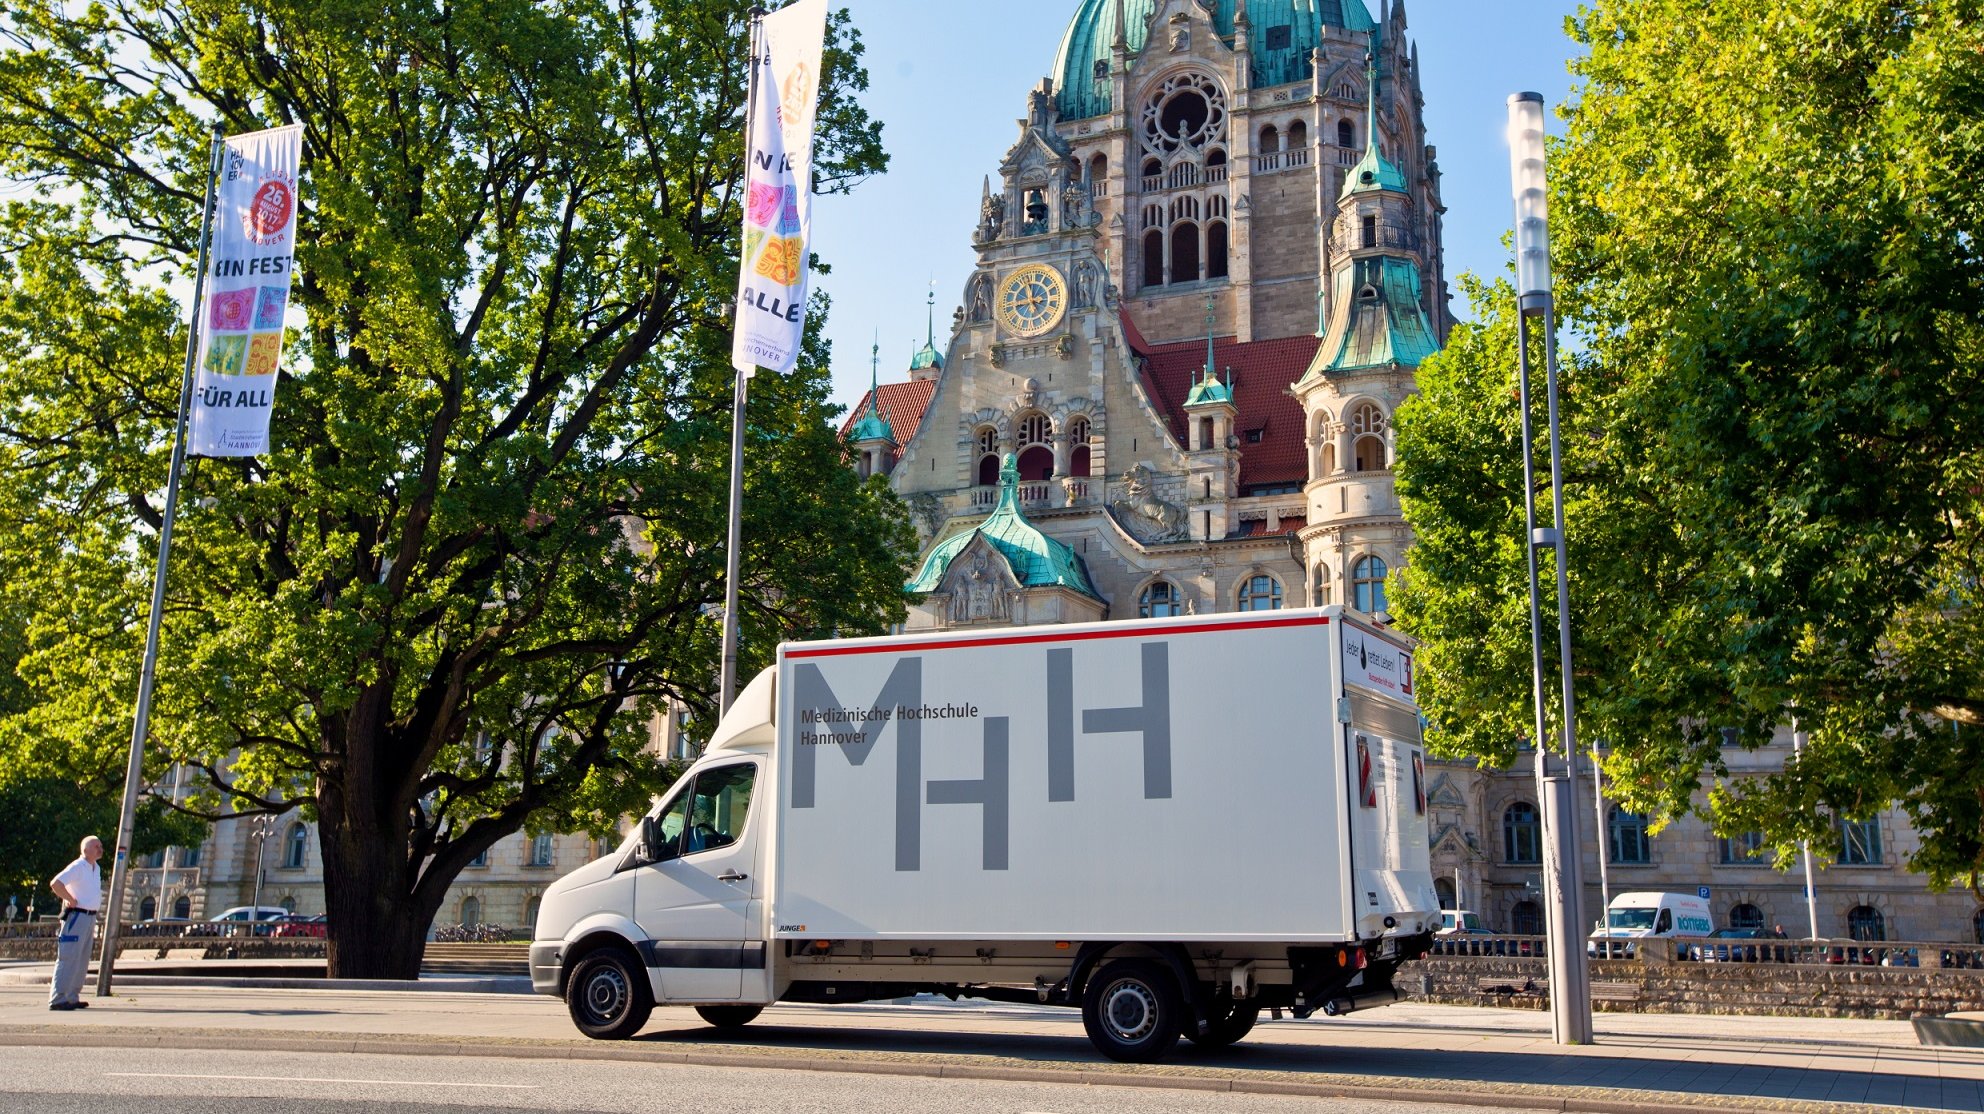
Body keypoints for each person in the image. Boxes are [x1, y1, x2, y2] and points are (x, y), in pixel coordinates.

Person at [47, 835, 103, 1011]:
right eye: (96, 846)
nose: (100, 849)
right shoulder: (78, 866)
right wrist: (70, 899)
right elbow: (56, 883)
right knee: (68, 957)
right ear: (85, 850)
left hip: (90, 917)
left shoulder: (96, 868)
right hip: (77, 917)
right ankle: (57, 998)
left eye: (100, 846)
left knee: (82, 959)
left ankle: (72, 997)